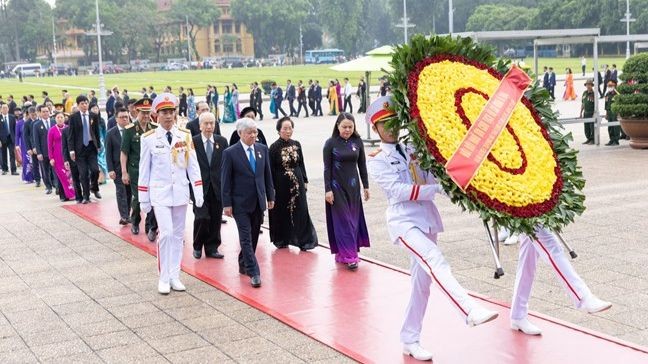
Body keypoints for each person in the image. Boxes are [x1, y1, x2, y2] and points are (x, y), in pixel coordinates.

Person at [366, 96, 499, 361]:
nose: (391, 128)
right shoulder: (377, 159)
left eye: (394, 122)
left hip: (427, 219)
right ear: (376, 129)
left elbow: (433, 176)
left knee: (422, 283)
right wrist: (434, 189)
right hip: (404, 222)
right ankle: (468, 310)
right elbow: (397, 190)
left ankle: (410, 338)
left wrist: (460, 190)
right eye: (385, 124)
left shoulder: (414, 147)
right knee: (434, 259)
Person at [138, 93, 203, 294]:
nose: (168, 116)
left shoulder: (184, 135)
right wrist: (144, 198)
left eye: (171, 112)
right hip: (160, 193)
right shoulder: (148, 138)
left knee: (177, 236)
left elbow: (193, 165)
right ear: (156, 115)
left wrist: (198, 190)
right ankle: (163, 277)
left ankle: (175, 275)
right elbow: (144, 170)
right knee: (165, 234)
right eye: (164, 112)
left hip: (180, 192)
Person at [509, 226, 611, 336]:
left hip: (527, 212)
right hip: (525, 213)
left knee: (528, 256)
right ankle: (583, 297)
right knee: (551, 246)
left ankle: (518, 314)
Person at [221, 117, 275, 288]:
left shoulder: (262, 150)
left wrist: (270, 196)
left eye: (255, 132)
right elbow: (225, 180)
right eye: (249, 132)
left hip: (258, 201)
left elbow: (267, 175)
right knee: (245, 238)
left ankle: (243, 262)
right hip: (240, 203)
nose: (253, 135)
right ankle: (254, 272)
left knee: (252, 236)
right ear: (240, 133)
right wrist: (226, 203)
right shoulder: (230, 153)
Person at [323, 113, 370, 269]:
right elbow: (327, 169)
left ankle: (343, 252)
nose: (347, 130)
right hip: (337, 188)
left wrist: (366, 186)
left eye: (350, 127)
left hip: (354, 188)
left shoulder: (358, 142)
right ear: (337, 126)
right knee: (344, 222)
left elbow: (362, 166)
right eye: (344, 127)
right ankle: (350, 256)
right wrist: (328, 190)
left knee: (353, 221)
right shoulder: (330, 144)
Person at [269, 117, 317, 251]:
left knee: (301, 210)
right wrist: (271, 187)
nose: (288, 131)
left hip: (298, 184)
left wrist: (305, 180)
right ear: (279, 130)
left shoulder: (297, 144)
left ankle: (304, 240)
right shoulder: (273, 147)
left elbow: (301, 163)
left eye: (290, 128)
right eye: (285, 128)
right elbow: (271, 168)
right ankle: (282, 239)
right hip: (281, 184)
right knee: (282, 211)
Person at [192, 112, 228, 259]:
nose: (209, 126)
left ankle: (212, 247)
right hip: (199, 188)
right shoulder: (193, 142)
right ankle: (197, 245)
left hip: (217, 187)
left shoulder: (222, 141)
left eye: (212, 123)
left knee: (215, 218)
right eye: (206, 123)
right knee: (202, 218)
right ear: (200, 125)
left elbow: (226, 165)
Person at [121, 98, 158, 239]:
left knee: (153, 199)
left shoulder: (154, 128)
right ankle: (135, 221)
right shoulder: (130, 130)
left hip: (153, 170)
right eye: (143, 113)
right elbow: (124, 152)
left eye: (148, 113)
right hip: (136, 171)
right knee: (138, 199)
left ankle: (150, 226)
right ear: (137, 112)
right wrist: (124, 172)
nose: (146, 116)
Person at [106, 108, 132, 224]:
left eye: (126, 117)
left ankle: (128, 213)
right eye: (122, 117)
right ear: (116, 119)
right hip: (117, 168)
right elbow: (108, 153)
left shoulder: (132, 131)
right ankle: (124, 216)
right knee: (121, 191)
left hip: (131, 167)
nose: (125, 119)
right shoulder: (111, 133)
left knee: (129, 192)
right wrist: (110, 169)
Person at [47, 112, 75, 201]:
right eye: (58, 117)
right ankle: (69, 194)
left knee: (70, 175)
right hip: (57, 156)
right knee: (63, 176)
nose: (60, 119)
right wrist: (51, 158)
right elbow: (49, 145)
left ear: (64, 118)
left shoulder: (68, 128)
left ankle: (72, 193)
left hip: (67, 155)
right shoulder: (52, 130)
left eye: (61, 117)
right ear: (55, 119)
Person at [33, 105, 56, 194]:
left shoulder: (54, 121)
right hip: (44, 151)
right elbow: (36, 140)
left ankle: (57, 186)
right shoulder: (36, 125)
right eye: (43, 111)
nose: (46, 113)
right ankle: (48, 187)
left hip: (54, 151)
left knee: (55, 170)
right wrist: (39, 153)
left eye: (47, 111)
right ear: (40, 113)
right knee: (45, 170)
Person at [14, 108, 34, 183]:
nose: (28, 115)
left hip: (32, 143)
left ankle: (33, 176)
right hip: (24, 144)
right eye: (27, 114)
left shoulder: (32, 121)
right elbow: (17, 135)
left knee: (33, 161)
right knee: (26, 161)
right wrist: (16, 144)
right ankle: (26, 177)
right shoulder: (19, 123)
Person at [23, 106, 41, 186]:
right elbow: (26, 137)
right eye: (32, 115)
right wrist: (28, 148)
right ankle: (37, 180)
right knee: (35, 164)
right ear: (29, 114)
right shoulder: (27, 123)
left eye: (35, 114)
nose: (33, 116)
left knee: (44, 164)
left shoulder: (39, 121)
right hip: (32, 147)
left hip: (40, 146)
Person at [91, 103, 108, 185]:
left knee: (102, 161)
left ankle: (103, 178)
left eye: (96, 108)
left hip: (102, 143)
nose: (95, 110)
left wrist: (105, 142)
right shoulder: (89, 120)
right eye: (93, 108)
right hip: (93, 143)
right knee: (96, 162)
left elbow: (105, 132)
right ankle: (98, 179)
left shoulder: (101, 120)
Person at [0, 104, 17, 175]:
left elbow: (14, 128)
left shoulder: (12, 117)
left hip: (11, 138)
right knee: (3, 155)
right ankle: (4, 169)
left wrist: (15, 139)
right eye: (3, 108)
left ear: (8, 109)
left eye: (6, 108)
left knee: (12, 154)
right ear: (1, 109)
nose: (5, 109)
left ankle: (13, 170)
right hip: (2, 139)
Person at [604, 79, 620, 146]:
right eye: (608, 86)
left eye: (610, 85)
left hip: (615, 113)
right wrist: (606, 114)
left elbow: (619, 104)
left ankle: (616, 141)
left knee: (615, 127)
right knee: (610, 127)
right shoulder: (607, 94)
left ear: (614, 85)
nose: (609, 87)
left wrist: (619, 114)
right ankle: (611, 140)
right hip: (609, 113)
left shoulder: (617, 94)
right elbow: (606, 104)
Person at [580, 79, 596, 145]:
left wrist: (594, 113)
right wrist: (580, 112)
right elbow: (583, 103)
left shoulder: (594, 94)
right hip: (585, 113)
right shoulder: (584, 93)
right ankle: (588, 138)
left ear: (592, 85)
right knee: (586, 127)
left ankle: (593, 139)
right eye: (587, 84)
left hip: (591, 113)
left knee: (592, 127)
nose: (588, 86)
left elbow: (596, 105)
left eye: (589, 84)